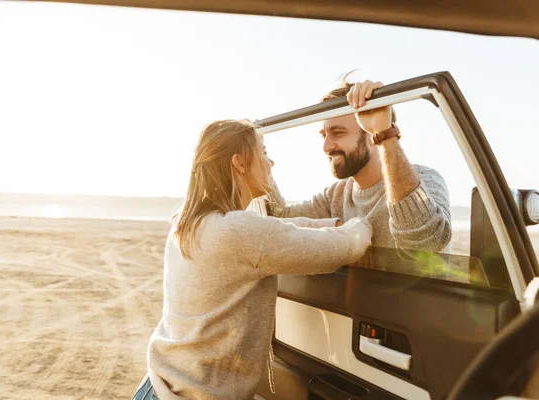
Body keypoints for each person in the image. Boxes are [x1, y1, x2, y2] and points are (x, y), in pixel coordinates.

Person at [133, 119, 373, 399]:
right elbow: (342, 249)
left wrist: (330, 224)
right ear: (240, 163)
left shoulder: (190, 221)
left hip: (157, 386)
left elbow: (280, 233)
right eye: (263, 151)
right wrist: (364, 224)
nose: (271, 163)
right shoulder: (238, 232)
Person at [266, 76, 452, 253]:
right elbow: (281, 218)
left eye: (338, 133)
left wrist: (385, 133)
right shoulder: (335, 195)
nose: (326, 147)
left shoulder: (426, 179)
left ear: (372, 134)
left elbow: (427, 246)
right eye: (324, 135)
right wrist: (259, 158)